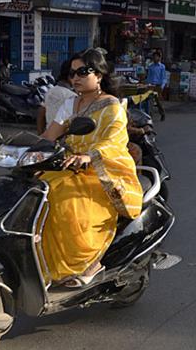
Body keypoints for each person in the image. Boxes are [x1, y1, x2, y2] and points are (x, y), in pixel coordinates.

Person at [40, 48, 143, 288]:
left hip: (102, 170)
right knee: (37, 191)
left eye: (82, 72)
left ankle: (90, 263)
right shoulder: (70, 103)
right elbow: (49, 135)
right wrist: (20, 149)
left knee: (66, 202)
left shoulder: (112, 106)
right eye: (72, 72)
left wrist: (89, 156)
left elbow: (114, 141)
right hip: (70, 163)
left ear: (98, 75)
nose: (75, 77)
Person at [36, 59, 77, 134]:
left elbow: (41, 112)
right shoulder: (72, 96)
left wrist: (41, 134)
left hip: (49, 136)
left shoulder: (50, 91)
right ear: (70, 76)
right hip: (64, 138)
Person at [145, 51, 166, 121]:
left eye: (157, 56)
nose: (155, 58)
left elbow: (163, 77)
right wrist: (147, 84)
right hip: (151, 85)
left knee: (158, 101)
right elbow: (149, 76)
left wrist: (162, 86)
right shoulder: (151, 66)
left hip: (158, 85)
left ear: (159, 58)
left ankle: (162, 113)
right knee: (149, 101)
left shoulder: (162, 67)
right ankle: (149, 115)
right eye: (154, 57)